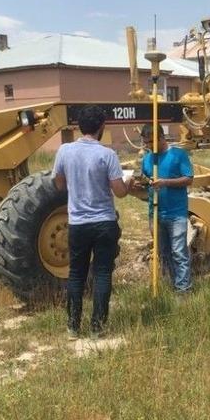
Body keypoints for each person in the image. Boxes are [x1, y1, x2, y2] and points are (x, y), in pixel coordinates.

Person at [52, 105, 132, 339]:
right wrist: (129, 183)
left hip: (77, 223)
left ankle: (73, 326)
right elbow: (119, 192)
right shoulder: (107, 155)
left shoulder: (64, 151)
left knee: (76, 274)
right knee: (102, 274)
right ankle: (97, 326)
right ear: (102, 126)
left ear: (79, 126)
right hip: (104, 222)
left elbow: (59, 184)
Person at [139, 123, 194, 294]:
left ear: (161, 137)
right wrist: (140, 183)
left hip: (176, 213)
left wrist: (165, 182)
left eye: (151, 142)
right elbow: (146, 181)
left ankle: (183, 289)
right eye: (146, 142)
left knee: (179, 252)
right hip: (155, 213)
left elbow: (188, 179)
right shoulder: (147, 159)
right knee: (163, 252)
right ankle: (172, 284)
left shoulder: (178, 155)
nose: (148, 145)